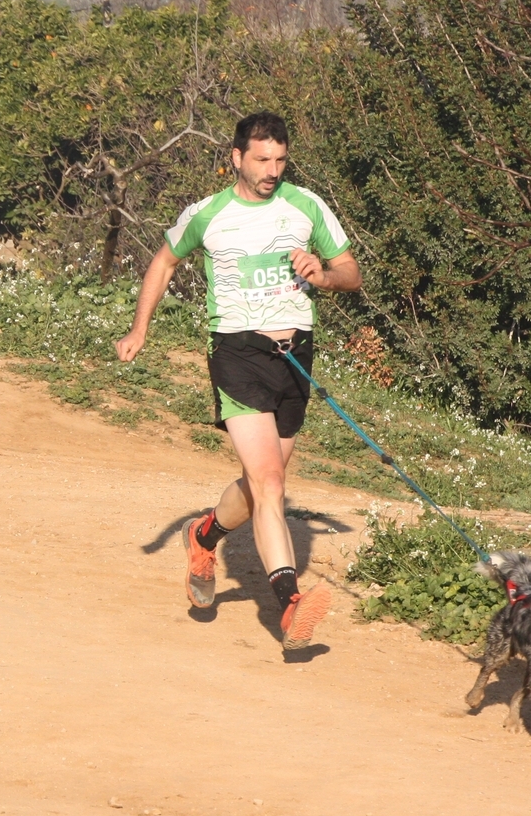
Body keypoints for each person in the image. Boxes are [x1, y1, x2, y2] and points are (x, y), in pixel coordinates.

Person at [115, 111, 362, 651]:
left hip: (295, 356)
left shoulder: (307, 206)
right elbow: (164, 262)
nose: (272, 170)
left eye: (280, 160)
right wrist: (139, 329)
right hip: (236, 353)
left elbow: (351, 271)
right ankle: (289, 605)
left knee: (260, 483)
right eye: (262, 159)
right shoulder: (208, 214)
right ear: (236, 158)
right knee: (270, 481)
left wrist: (323, 274)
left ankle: (204, 535)